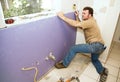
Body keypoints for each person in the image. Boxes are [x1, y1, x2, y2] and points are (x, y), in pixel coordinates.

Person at [55, 7, 108, 82]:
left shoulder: (90, 21)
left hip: (95, 46)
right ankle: (103, 71)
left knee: (74, 48)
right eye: (82, 13)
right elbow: (81, 26)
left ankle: (64, 64)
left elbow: (76, 24)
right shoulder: (90, 21)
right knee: (94, 60)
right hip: (100, 47)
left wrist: (62, 17)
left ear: (90, 15)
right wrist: (77, 16)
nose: (82, 15)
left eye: (84, 13)